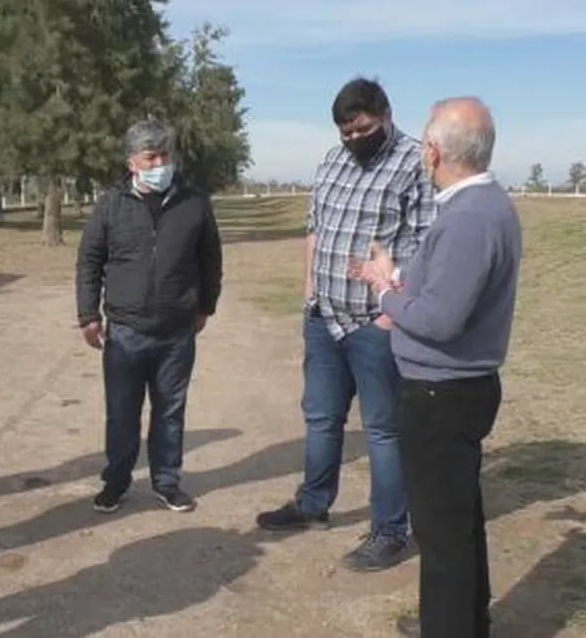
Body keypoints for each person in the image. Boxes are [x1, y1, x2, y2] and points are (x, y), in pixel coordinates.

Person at [351, 97, 521, 638]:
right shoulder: (479, 207)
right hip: (453, 389)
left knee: (441, 533)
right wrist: (398, 275)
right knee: (459, 521)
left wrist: (385, 295)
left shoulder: (470, 217)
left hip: (440, 394)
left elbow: (442, 318)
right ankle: (463, 620)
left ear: (433, 150)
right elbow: (446, 287)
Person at [255, 78, 436, 572]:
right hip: (324, 318)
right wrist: (308, 291)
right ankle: (313, 504)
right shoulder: (331, 161)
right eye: (345, 133)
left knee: (382, 430)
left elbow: (425, 247)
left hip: (374, 325)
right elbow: (315, 227)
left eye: (362, 129)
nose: (354, 140)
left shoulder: (415, 163)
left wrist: (387, 312)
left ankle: (390, 531)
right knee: (320, 419)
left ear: (386, 115)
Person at [75, 117, 223, 514]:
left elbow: (211, 259)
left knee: (170, 412)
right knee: (122, 413)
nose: (160, 163)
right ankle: (117, 481)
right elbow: (89, 260)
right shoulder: (111, 205)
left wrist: (206, 305)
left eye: (164, 154)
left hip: (176, 332)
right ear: (132, 163)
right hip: (125, 332)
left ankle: (167, 481)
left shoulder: (194, 202)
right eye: (150, 156)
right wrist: (88, 315)